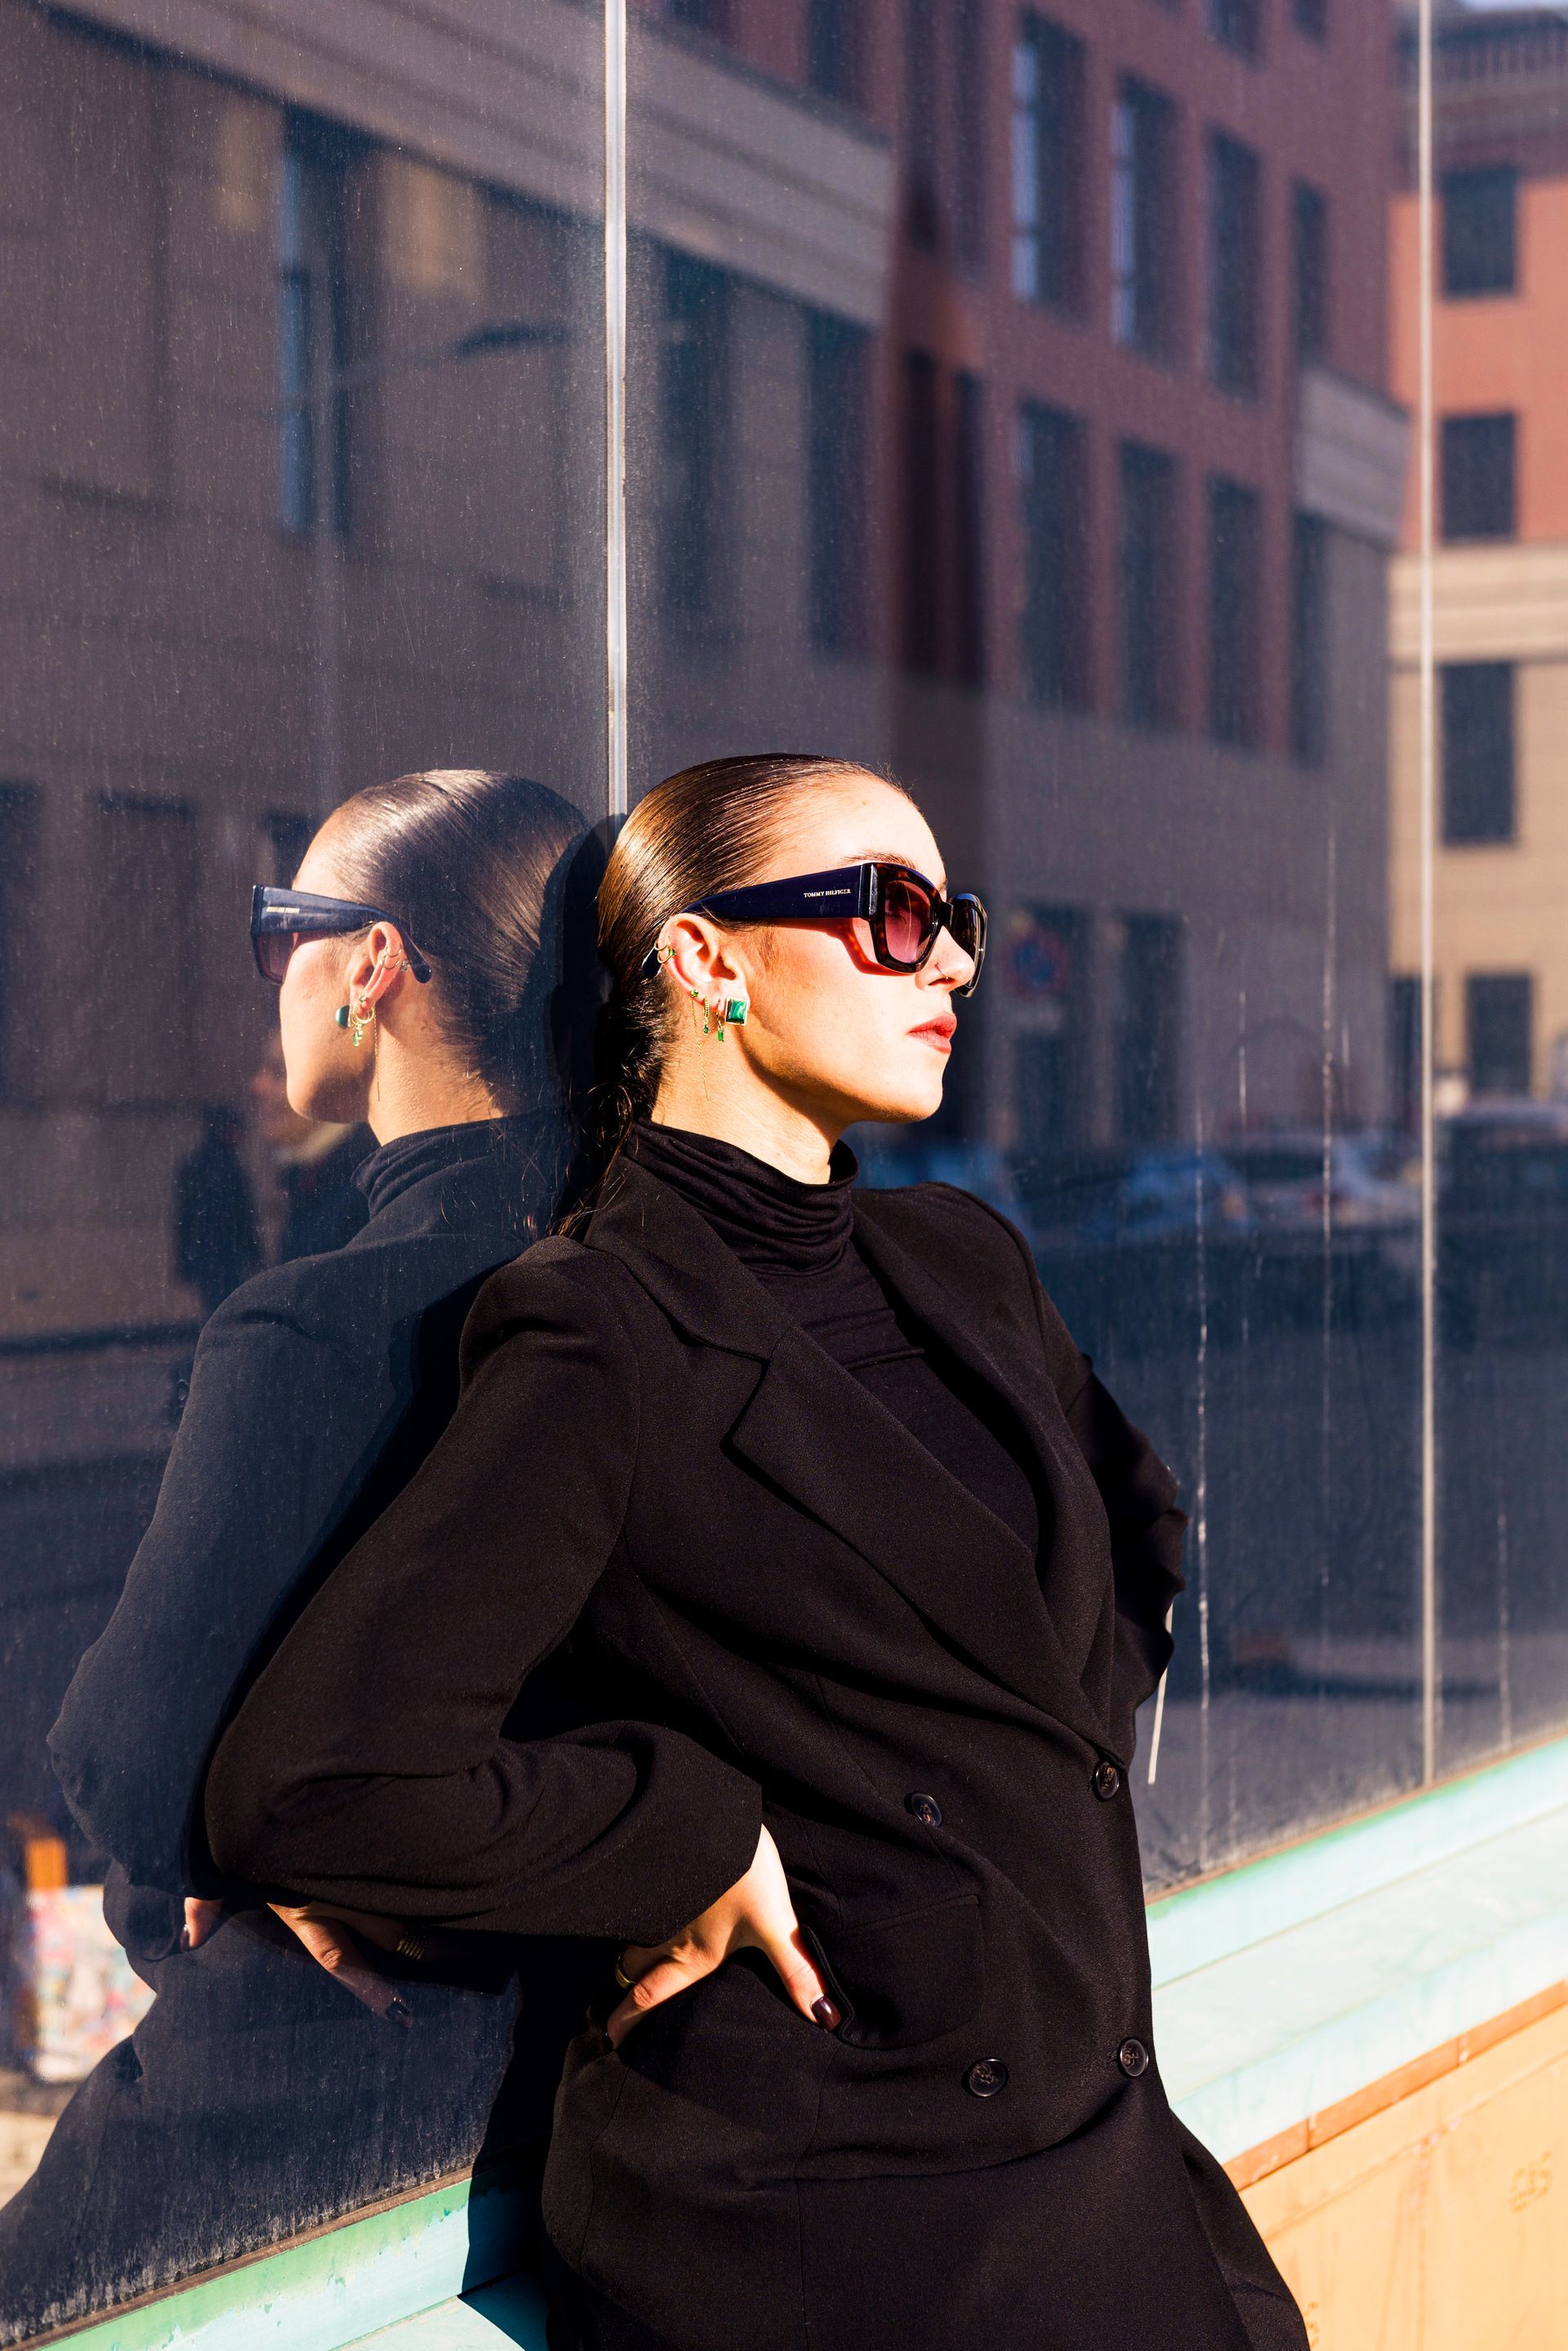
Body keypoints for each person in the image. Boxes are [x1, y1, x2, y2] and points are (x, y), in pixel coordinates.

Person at [204, 755, 1309, 2351]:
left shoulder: (961, 1259)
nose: (950, 963)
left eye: (961, 923)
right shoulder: (600, 1330)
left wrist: (985, 1805)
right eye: (895, 911)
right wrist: (686, 1828)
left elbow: (1139, 1527)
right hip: (837, 2232)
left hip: (1100, 2150)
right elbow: (318, 1777)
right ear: (706, 957)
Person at [2, 770, 602, 2339]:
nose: (271, 968)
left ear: (373, 965)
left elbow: (128, 1763)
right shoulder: (644, 1280)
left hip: (303, 2096)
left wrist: (242, 1839)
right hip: (593, 2103)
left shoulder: (323, 1326)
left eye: (286, 925)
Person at [249, 1035, 370, 1263]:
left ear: (331, 1082)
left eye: (280, 1072)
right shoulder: (309, 1175)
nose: (258, 1086)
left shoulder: (361, 1182)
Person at [171, 1102, 262, 1319]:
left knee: (219, 1311)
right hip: (224, 1253)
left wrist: (184, 1258)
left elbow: (185, 1217)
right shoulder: (227, 1166)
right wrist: (254, 1251)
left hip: (209, 1253)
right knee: (227, 1310)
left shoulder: (198, 1164)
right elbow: (242, 1216)